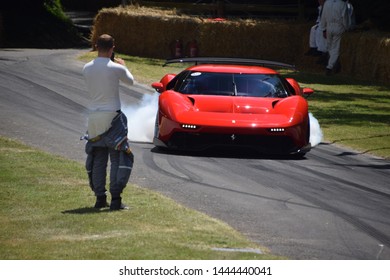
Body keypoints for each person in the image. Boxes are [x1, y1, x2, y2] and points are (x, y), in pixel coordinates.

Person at [82, 34, 135, 210]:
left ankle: (99, 198)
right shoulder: (116, 68)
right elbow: (131, 82)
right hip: (113, 116)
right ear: (112, 48)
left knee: (98, 159)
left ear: (96, 46)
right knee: (117, 157)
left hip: (94, 119)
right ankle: (116, 200)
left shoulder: (86, 68)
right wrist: (123, 66)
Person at [320, 0, 348, 75]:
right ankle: (330, 66)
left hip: (329, 26)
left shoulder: (327, 3)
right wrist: (347, 27)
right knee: (335, 48)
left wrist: (323, 28)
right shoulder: (342, 4)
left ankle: (333, 63)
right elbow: (344, 17)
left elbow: (323, 16)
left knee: (330, 46)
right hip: (338, 26)